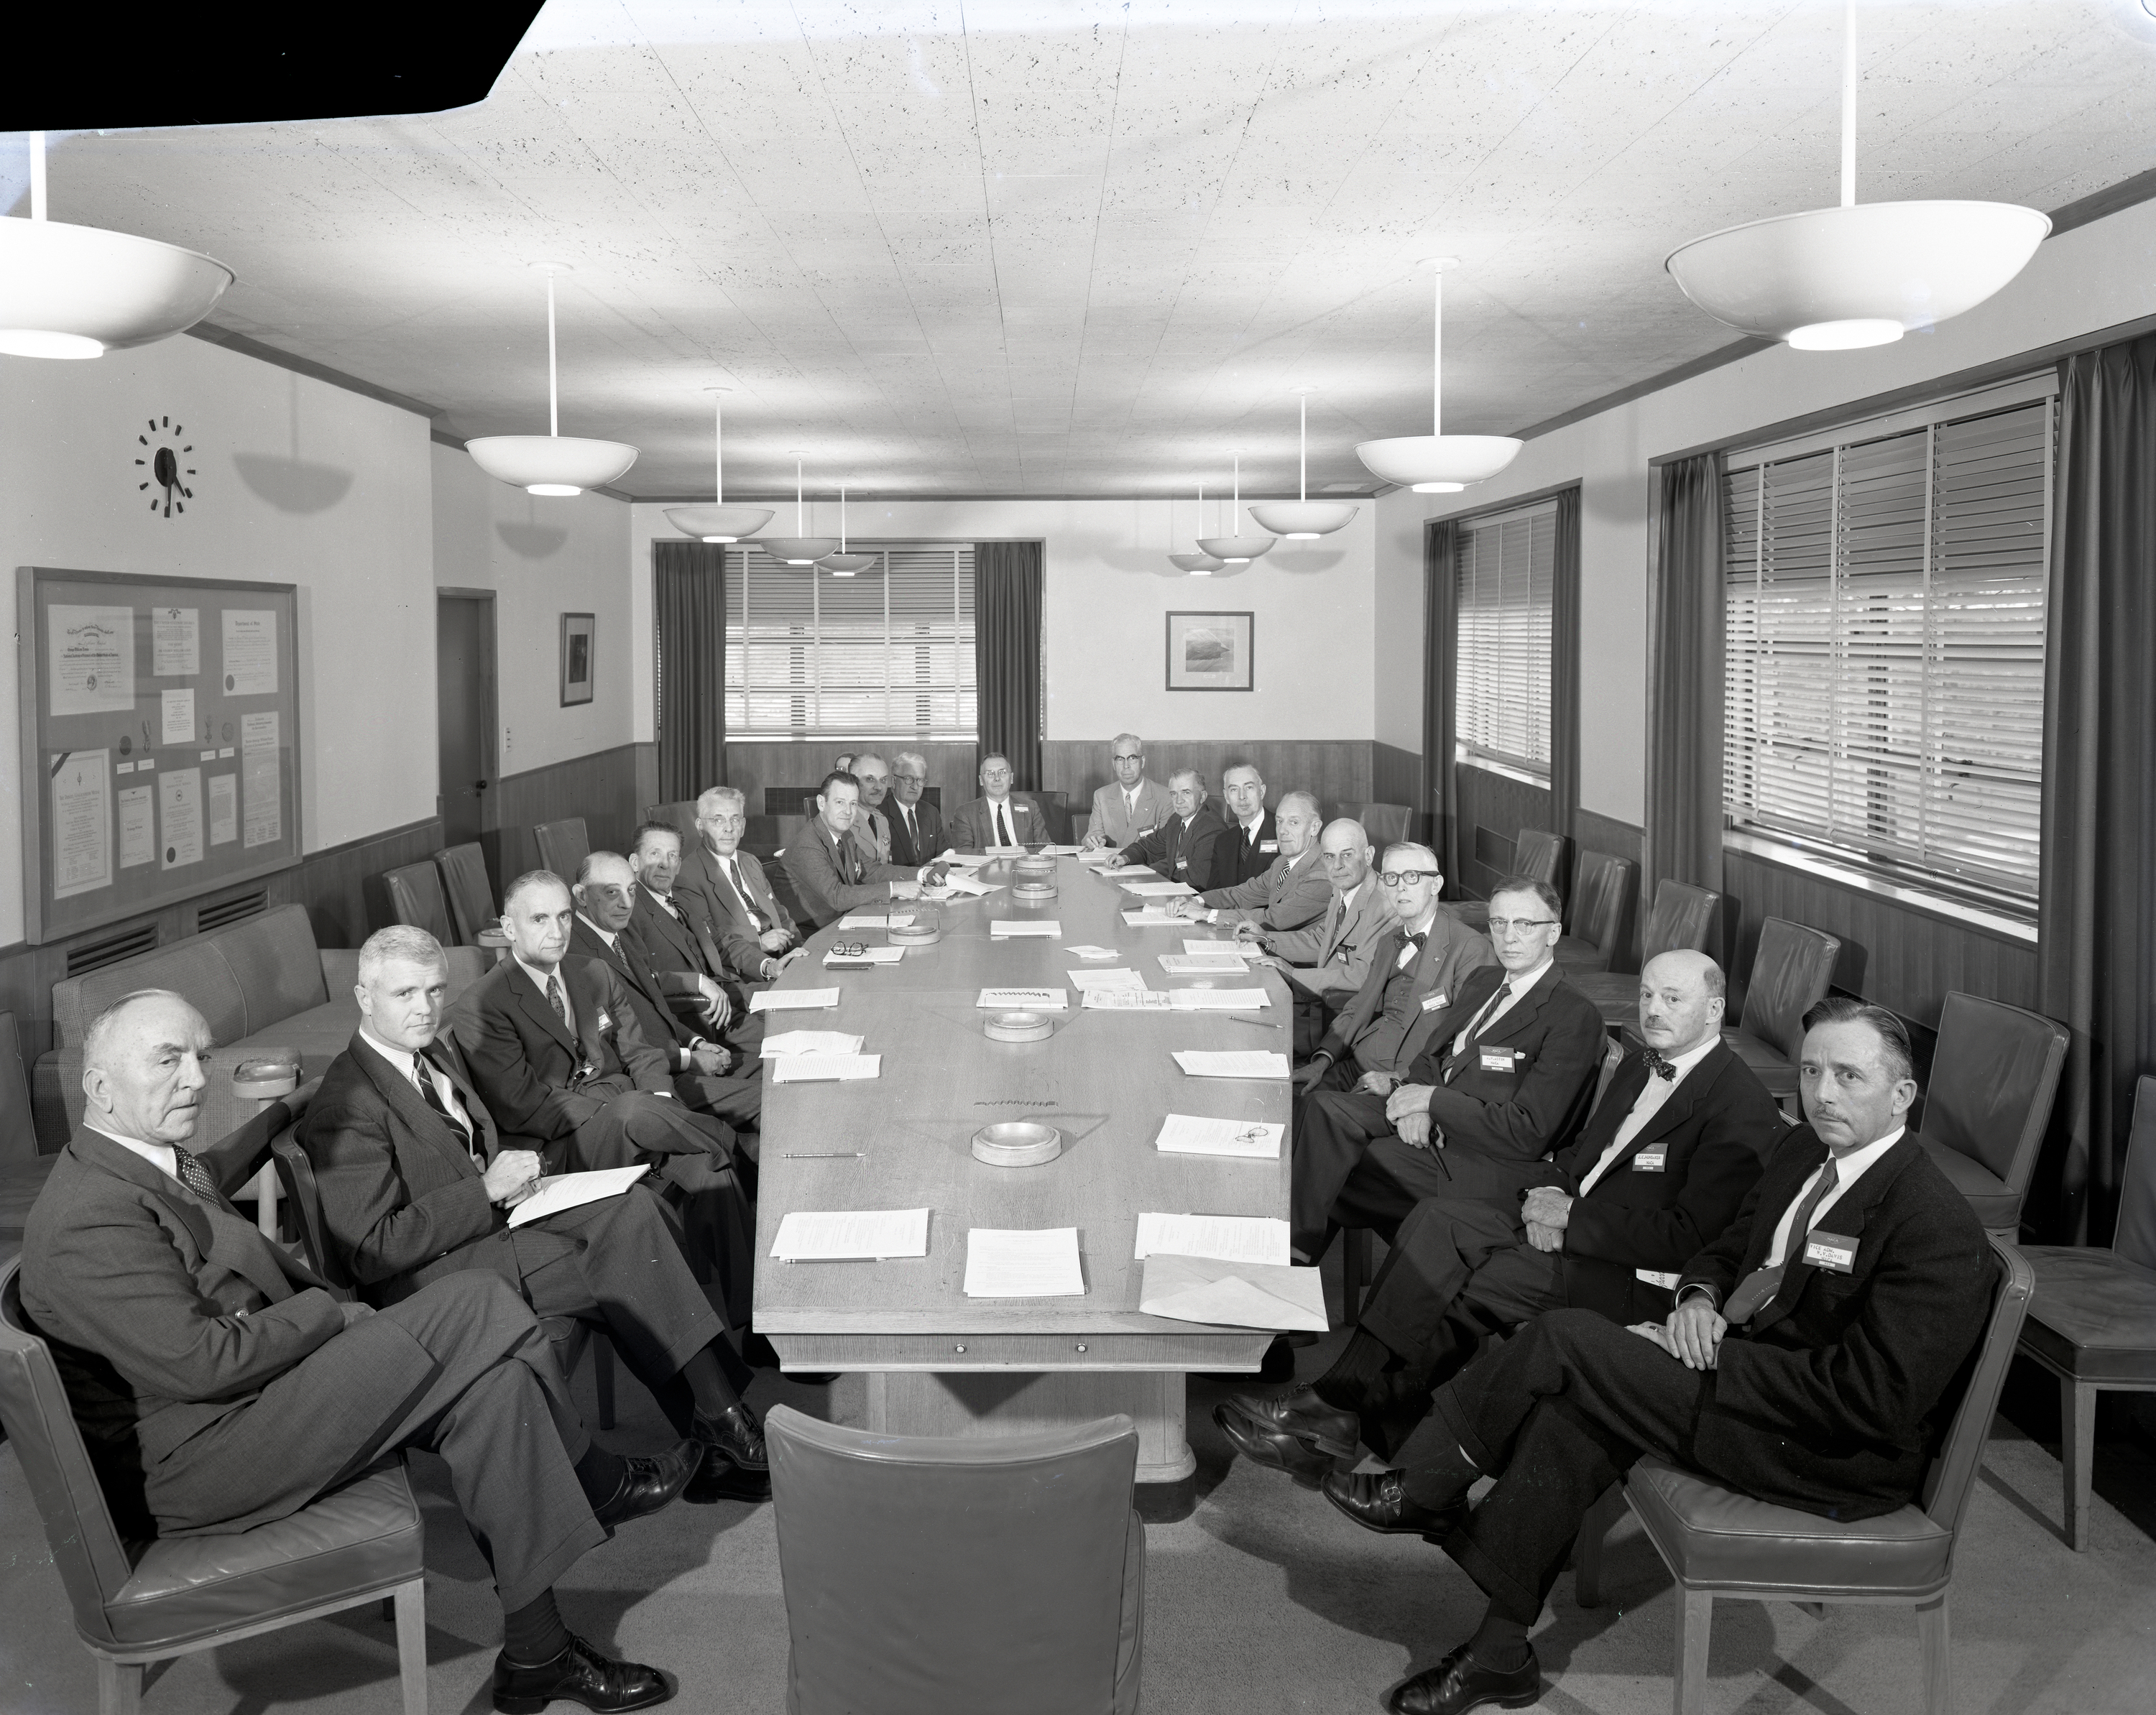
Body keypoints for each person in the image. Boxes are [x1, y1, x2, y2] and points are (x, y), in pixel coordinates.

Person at [20, 989, 683, 1712]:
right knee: (481, 1301)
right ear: (98, 1085)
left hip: (242, 1405)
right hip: (199, 1457)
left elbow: (209, 1187)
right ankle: (596, 1474)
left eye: (201, 1054)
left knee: (494, 1386)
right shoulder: (89, 1213)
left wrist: (283, 1111)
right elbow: (202, 1361)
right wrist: (326, 1314)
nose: (198, 1077)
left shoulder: (142, 1160)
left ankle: (539, 1651)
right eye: (168, 1058)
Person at [1335, 999, 1991, 1715]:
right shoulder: (1807, 1150)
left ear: (1902, 1095)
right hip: (1740, 1370)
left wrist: (1708, 1361)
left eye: (1849, 1075)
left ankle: (1428, 1483)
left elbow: (1873, 1397)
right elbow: (1730, 1245)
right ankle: (1499, 1655)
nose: (1824, 1093)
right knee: (1575, 1407)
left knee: (1567, 1335)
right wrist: (1698, 1302)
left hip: (1826, 1443)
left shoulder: (1932, 1224)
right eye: (1811, 1071)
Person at [1218, 951, 1775, 1481]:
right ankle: (1337, 1415)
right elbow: (1583, 1160)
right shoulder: (1639, 1064)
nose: (1654, 1009)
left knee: (1452, 1280)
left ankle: (1336, 1414)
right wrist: (1547, 1198)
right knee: (1437, 1222)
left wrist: (1570, 1218)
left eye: (1674, 999)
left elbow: (1694, 1239)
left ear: (1716, 1008)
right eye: (1648, 994)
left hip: (1627, 1273)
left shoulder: (1737, 1105)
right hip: (1570, 1221)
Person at [305, 927, 770, 1500]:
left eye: (433, 990)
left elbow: (462, 1146)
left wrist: (507, 1181)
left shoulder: (427, 1052)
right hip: (435, 1278)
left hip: (495, 1227)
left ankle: (715, 1433)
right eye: (405, 994)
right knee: (627, 1246)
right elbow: (372, 1248)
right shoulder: (346, 1103)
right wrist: (485, 1192)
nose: (424, 1008)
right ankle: (725, 1425)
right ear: (363, 996)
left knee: (638, 1206)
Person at [446, 870, 756, 1321]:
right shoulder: (482, 1003)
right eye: (539, 920)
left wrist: (661, 1102)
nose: (556, 932)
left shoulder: (593, 971)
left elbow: (642, 1053)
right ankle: (724, 1138)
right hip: (566, 1143)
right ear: (509, 928)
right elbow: (526, 1105)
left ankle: (750, 1322)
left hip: (637, 1113)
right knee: (638, 1110)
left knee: (707, 1167)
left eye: (564, 917)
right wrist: (626, 1108)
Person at [1294, 875, 1606, 1259]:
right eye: (1499, 923)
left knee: (1351, 1165)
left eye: (1525, 925)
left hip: (1479, 1149)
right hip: (1432, 1107)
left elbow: (1529, 1131)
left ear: (1554, 932)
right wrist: (1416, 1099)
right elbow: (1431, 1056)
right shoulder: (1484, 980)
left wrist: (1431, 1102)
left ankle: (1298, 1256)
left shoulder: (1574, 1015)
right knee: (1321, 1107)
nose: (1509, 937)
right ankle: (1299, 1250)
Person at [571, 852, 763, 1132]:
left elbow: (655, 1005)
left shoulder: (619, 933)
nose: (626, 903)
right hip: (655, 1080)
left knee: (775, 1070)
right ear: (581, 895)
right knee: (770, 1098)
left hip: (678, 1055)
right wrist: (689, 1059)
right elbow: (617, 1050)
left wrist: (696, 1043)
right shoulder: (577, 957)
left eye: (632, 891)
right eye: (612, 892)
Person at [1247, 818, 1394, 1056]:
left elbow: (1362, 977)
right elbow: (1321, 941)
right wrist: (1265, 939)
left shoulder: (1383, 906)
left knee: (1251, 1039)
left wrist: (1293, 974)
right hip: (1318, 1005)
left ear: (1368, 856)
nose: (1336, 866)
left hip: (1344, 1020)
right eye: (1329, 856)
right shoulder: (1342, 888)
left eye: (1347, 855)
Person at [676, 786, 806, 985]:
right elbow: (710, 937)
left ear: (743, 826)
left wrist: (804, 953)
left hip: (784, 959)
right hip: (745, 974)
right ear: (700, 826)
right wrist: (760, 941)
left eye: (735, 819)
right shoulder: (687, 875)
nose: (728, 828)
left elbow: (779, 913)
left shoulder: (750, 861)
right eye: (718, 820)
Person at [781, 769, 946, 926]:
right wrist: (894, 889)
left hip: (841, 922)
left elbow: (872, 871)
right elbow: (837, 896)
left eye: (853, 803)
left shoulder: (845, 836)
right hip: (811, 934)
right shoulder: (807, 844)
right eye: (840, 802)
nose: (848, 811)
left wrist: (922, 874)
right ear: (821, 803)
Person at [1173, 789, 1330, 938]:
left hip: (1297, 961)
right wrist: (1195, 901)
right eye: (1280, 821)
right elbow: (1241, 894)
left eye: (1294, 822)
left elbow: (1273, 919)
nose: (1282, 830)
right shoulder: (1282, 862)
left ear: (1314, 828)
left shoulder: (1322, 873)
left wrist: (1205, 914)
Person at [1105, 767, 1228, 892]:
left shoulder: (1212, 829)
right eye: (1174, 794)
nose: (1179, 801)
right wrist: (1126, 857)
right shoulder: (1176, 820)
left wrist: (1154, 887)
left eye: (1186, 793)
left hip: (1198, 901)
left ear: (1202, 797)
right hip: (1178, 894)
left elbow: (1198, 883)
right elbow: (1149, 846)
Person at [1080, 733, 1172, 851]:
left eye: (1132, 758)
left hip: (1147, 867)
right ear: (1114, 764)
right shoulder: (1101, 796)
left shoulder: (1164, 797)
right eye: (1120, 759)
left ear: (1142, 762)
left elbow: (1166, 846)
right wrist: (1094, 840)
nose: (1126, 765)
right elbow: (1092, 834)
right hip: (1110, 866)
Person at [944, 753, 1046, 851]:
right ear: (981, 780)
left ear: (1011, 778)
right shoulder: (965, 813)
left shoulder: (1031, 808)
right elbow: (964, 856)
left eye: (1002, 772)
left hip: (1023, 866)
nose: (997, 778)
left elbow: (1044, 849)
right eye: (990, 774)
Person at [1212, 762, 1279, 888]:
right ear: (1226, 797)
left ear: (1262, 791)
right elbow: (1215, 892)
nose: (1242, 796)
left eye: (1249, 787)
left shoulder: (1283, 831)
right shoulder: (1222, 841)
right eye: (1234, 790)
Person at [884, 750, 944, 866]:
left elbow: (942, 855)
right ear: (894, 781)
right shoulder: (880, 813)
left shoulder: (932, 812)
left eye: (920, 780)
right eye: (908, 779)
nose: (915, 786)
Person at [851, 751, 896, 863]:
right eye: (870, 779)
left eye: (883, 780)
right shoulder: (844, 822)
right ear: (853, 782)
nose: (879, 787)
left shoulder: (882, 820)